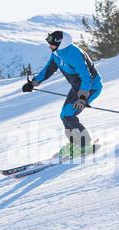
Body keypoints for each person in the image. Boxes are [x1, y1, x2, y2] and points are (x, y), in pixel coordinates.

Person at [22, 30, 103, 158]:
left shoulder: (73, 54)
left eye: (51, 43)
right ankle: (75, 144)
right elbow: (48, 69)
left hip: (90, 88)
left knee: (68, 114)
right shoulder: (57, 53)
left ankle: (85, 145)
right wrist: (33, 83)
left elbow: (86, 77)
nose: (49, 46)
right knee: (64, 115)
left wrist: (82, 98)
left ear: (60, 43)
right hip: (77, 88)